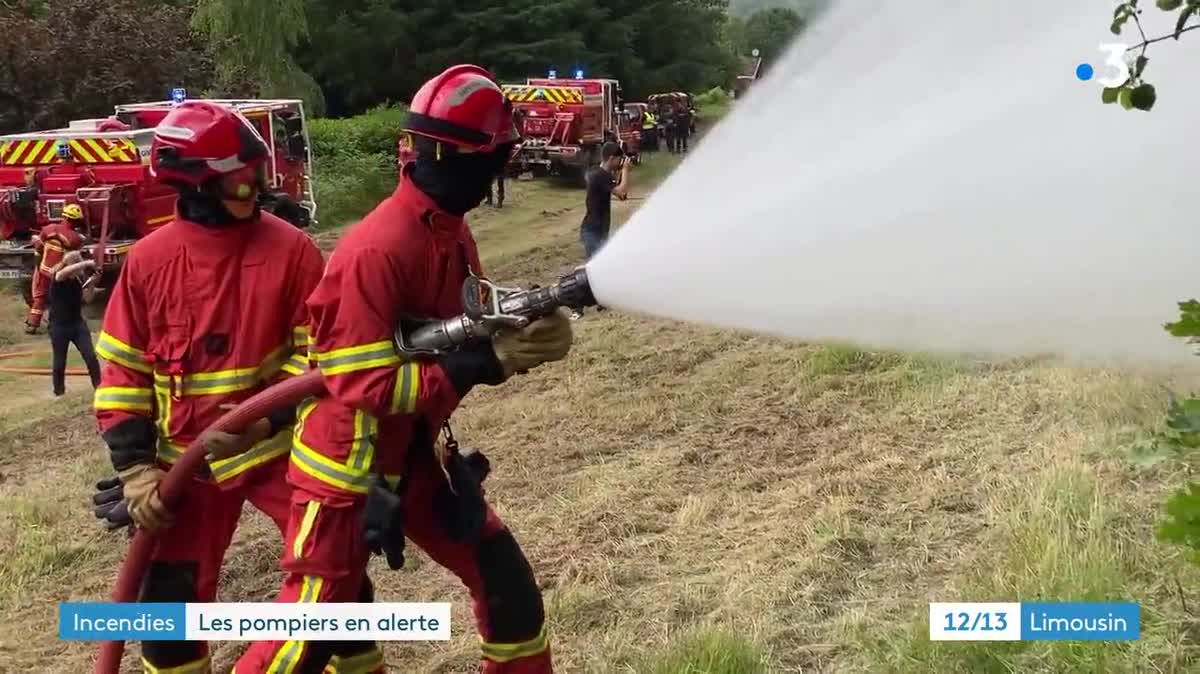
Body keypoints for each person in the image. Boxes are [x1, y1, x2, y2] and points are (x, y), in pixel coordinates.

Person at [235, 64, 573, 674]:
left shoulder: (448, 230)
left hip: (414, 456)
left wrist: (523, 325)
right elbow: (361, 384)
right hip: (347, 472)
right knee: (306, 634)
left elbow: (461, 321)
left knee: (509, 593)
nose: (500, 170)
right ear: (454, 156)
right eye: (495, 157)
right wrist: (483, 365)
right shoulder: (378, 247)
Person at [87, 100, 385, 674]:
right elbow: (123, 374)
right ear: (195, 185)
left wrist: (263, 421)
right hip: (184, 464)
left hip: (278, 450)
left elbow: (318, 359)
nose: (257, 189)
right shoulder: (149, 263)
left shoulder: (291, 250)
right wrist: (135, 468)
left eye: (258, 177)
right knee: (164, 605)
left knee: (339, 577)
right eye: (244, 182)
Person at [46, 248, 102, 395]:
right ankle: (59, 392)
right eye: (79, 265)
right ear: (72, 265)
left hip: (77, 324)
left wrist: (91, 283)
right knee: (60, 361)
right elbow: (63, 273)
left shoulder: (78, 280)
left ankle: (99, 386)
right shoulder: (58, 277)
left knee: (90, 356)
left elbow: (88, 299)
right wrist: (87, 263)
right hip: (59, 326)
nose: (82, 269)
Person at [25, 204, 86, 334]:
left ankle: (32, 323)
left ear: (63, 216)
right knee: (58, 300)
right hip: (59, 275)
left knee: (39, 297)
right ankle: (54, 324)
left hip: (43, 269)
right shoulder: (75, 238)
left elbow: (38, 249)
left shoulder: (48, 229)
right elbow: (73, 258)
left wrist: (38, 265)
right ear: (75, 221)